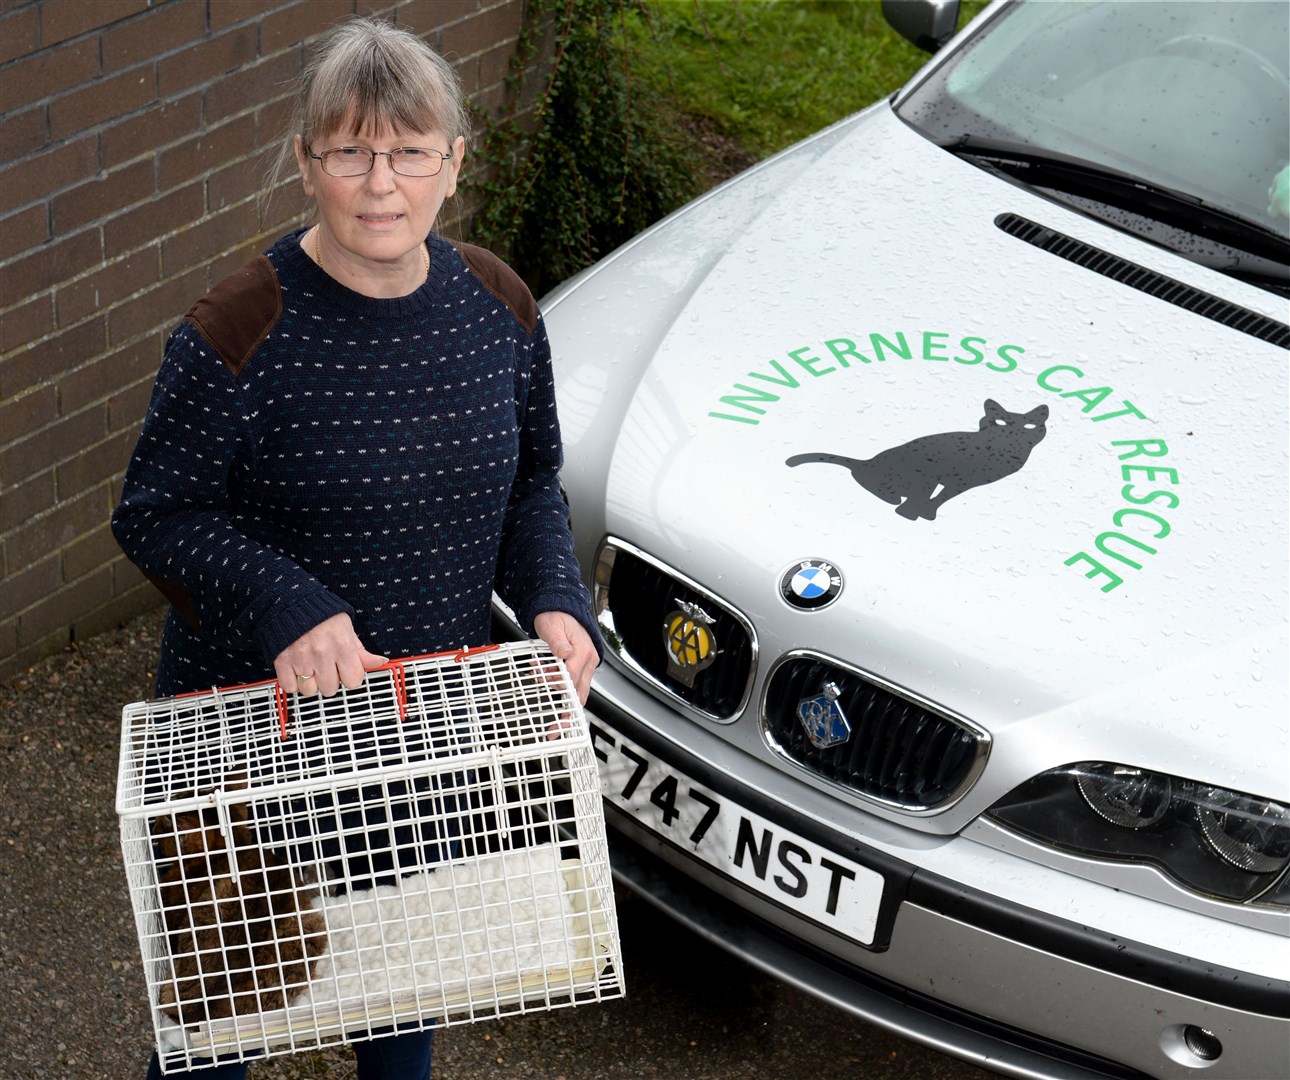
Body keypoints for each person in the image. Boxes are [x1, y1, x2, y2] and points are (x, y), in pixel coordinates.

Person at [111, 15, 601, 1080]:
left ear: (453, 162)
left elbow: (531, 483)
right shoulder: (238, 328)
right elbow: (155, 515)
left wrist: (558, 595)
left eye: (410, 151)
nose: (383, 184)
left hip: (420, 752)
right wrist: (289, 602)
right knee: (215, 1035)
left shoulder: (499, 308)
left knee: (399, 1020)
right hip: (251, 756)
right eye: (351, 151)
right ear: (305, 162)